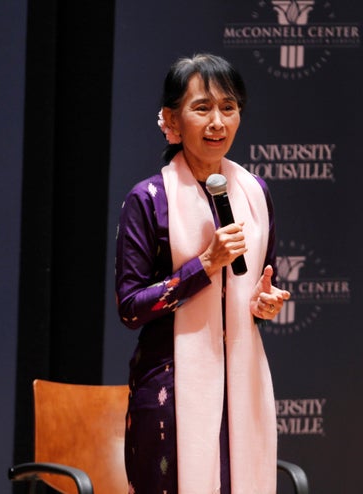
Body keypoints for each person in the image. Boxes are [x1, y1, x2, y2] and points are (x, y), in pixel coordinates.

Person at [114, 54, 291, 494]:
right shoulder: (149, 199)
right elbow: (130, 308)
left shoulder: (255, 193)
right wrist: (202, 267)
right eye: (202, 108)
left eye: (228, 108)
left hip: (243, 382)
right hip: (169, 393)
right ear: (172, 119)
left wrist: (261, 303)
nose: (217, 122)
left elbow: (255, 282)